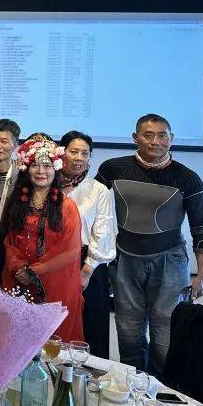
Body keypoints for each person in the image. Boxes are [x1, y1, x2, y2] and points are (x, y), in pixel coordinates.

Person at [96, 114, 203, 372]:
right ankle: (132, 382)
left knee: (166, 329)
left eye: (162, 135)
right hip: (125, 259)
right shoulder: (112, 169)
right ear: (135, 138)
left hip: (170, 261)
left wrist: (202, 274)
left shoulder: (188, 178)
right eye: (148, 135)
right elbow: (92, 208)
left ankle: (162, 386)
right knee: (128, 327)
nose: (155, 141)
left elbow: (201, 228)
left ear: (171, 139)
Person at [1, 138, 84, 342]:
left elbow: (69, 250)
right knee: (18, 338)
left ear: (55, 169)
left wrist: (33, 272)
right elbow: (10, 240)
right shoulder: (17, 202)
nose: (40, 171)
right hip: (19, 277)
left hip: (54, 281)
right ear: (26, 169)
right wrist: (20, 268)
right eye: (35, 165)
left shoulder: (67, 206)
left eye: (47, 166)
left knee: (52, 339)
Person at [60, 130, 117, 359]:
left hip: (88, 263)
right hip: (53, 261)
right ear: (61, 153)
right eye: (73, 151)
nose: (79, 158)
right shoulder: (47, 183)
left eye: (85, 153)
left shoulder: (98, 190)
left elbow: (103, 231)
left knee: (91, 323)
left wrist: (87, 270)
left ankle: (92, 373)